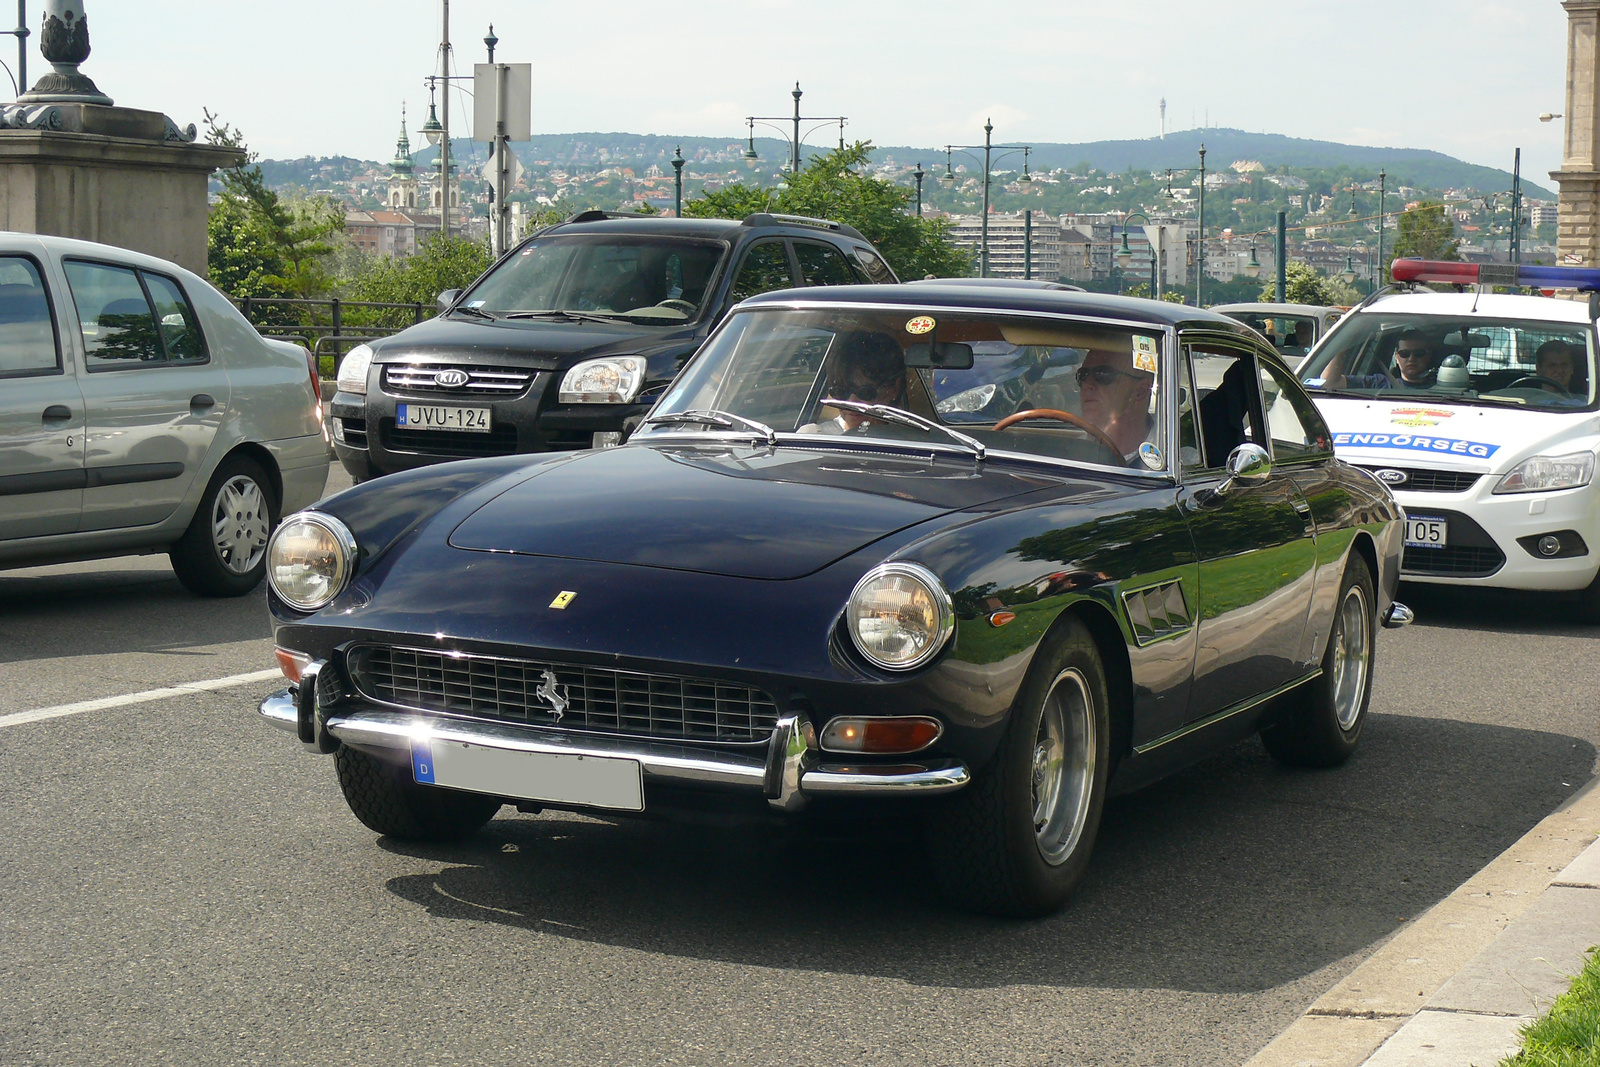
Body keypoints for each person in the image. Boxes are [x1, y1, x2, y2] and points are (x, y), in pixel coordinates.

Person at [799, 331, 907, 434]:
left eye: (865, 392)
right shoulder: (813, 439)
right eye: (841, 392)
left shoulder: (912, 444)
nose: (851, 402)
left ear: (894, 388)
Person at [1076, 347, 1156, 459]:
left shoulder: (1175, 458)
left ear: (1140, 391)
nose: (1087, 384)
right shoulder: (1073, 454)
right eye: (1083, 375)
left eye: (1103, 374)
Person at [1322, 329, 1442, 390]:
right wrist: (1342, 348)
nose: (1411, 358)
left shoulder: (1442, 387)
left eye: (1418, 353)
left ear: (1428, 355)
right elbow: (1328, 383)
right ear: (1397, 356)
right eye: (1404, 353)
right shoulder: (1379, 384)